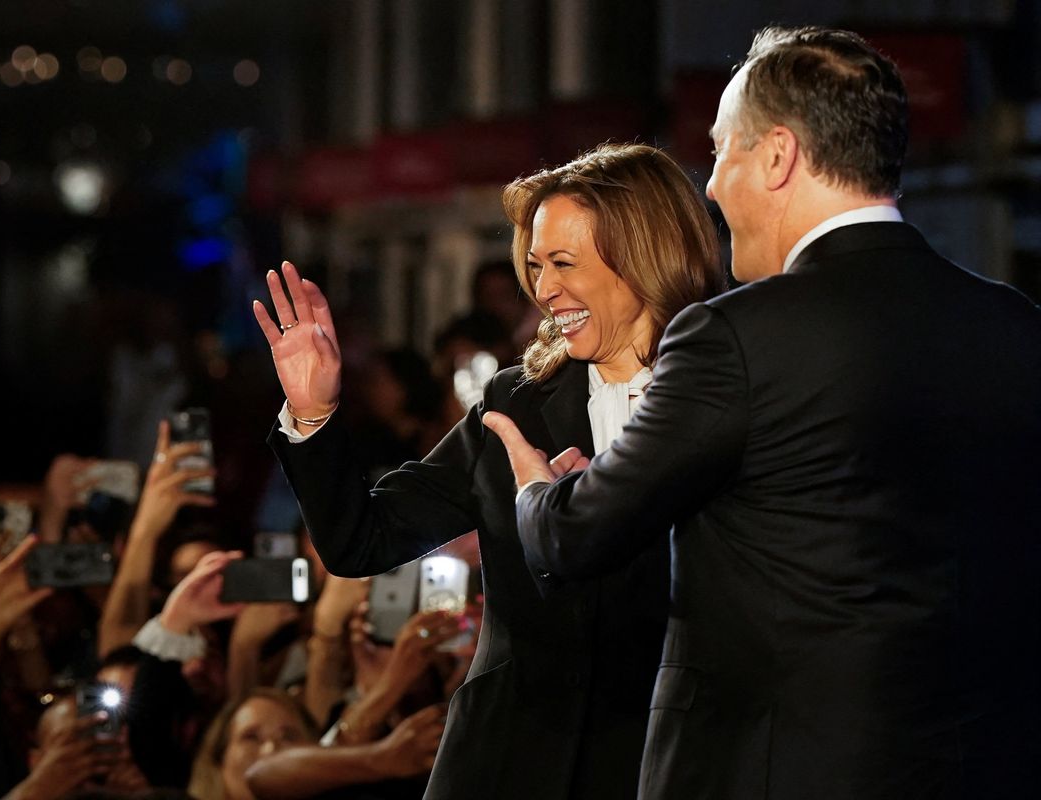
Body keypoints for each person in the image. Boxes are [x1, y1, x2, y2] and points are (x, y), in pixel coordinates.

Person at [485, 26, 1041, 800]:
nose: (710, 185)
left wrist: (535, 492)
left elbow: (578, 535)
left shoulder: (734, 336)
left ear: (777, 156)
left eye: (722, 152)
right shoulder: (1014, 325)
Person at [252, 141, 723, 799]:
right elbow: (363, 540)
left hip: (661, 767)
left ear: (646, 257)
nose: (544, 289)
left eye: (564, 263)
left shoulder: (735, 399)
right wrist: (314, 414)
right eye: (536, 265)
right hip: (502, 766)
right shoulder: (517, 404)